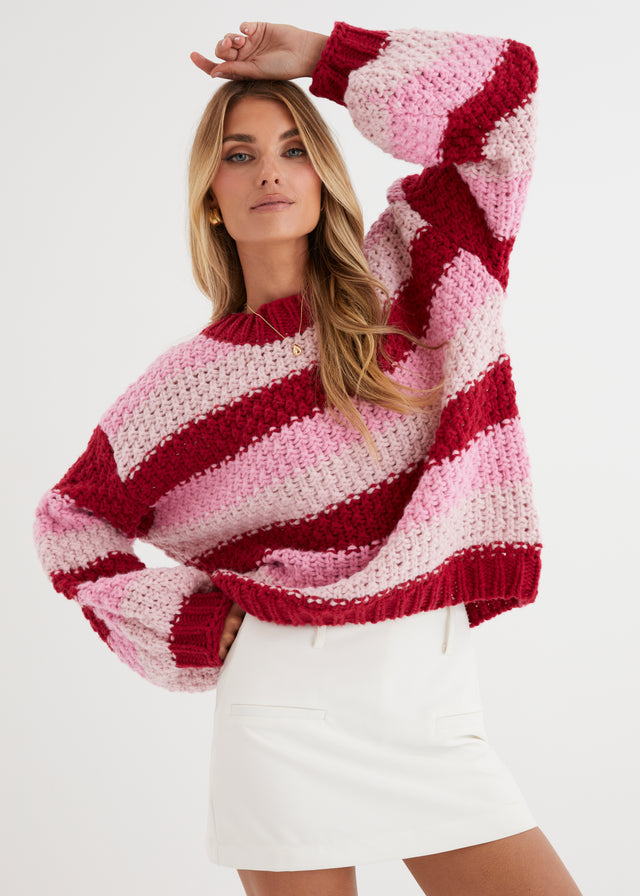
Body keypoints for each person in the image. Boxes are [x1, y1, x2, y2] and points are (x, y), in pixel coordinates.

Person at [33, 19, 583, 896]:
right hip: (280, 715)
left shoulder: (420, 264)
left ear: (324, 177)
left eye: (293, 149)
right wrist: (190, 624)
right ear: (210, 198)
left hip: (432, 705)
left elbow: (505, 98)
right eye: (240, 155)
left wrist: (326, 58)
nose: (271, 172)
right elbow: (70, 522)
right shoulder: (181, 390)